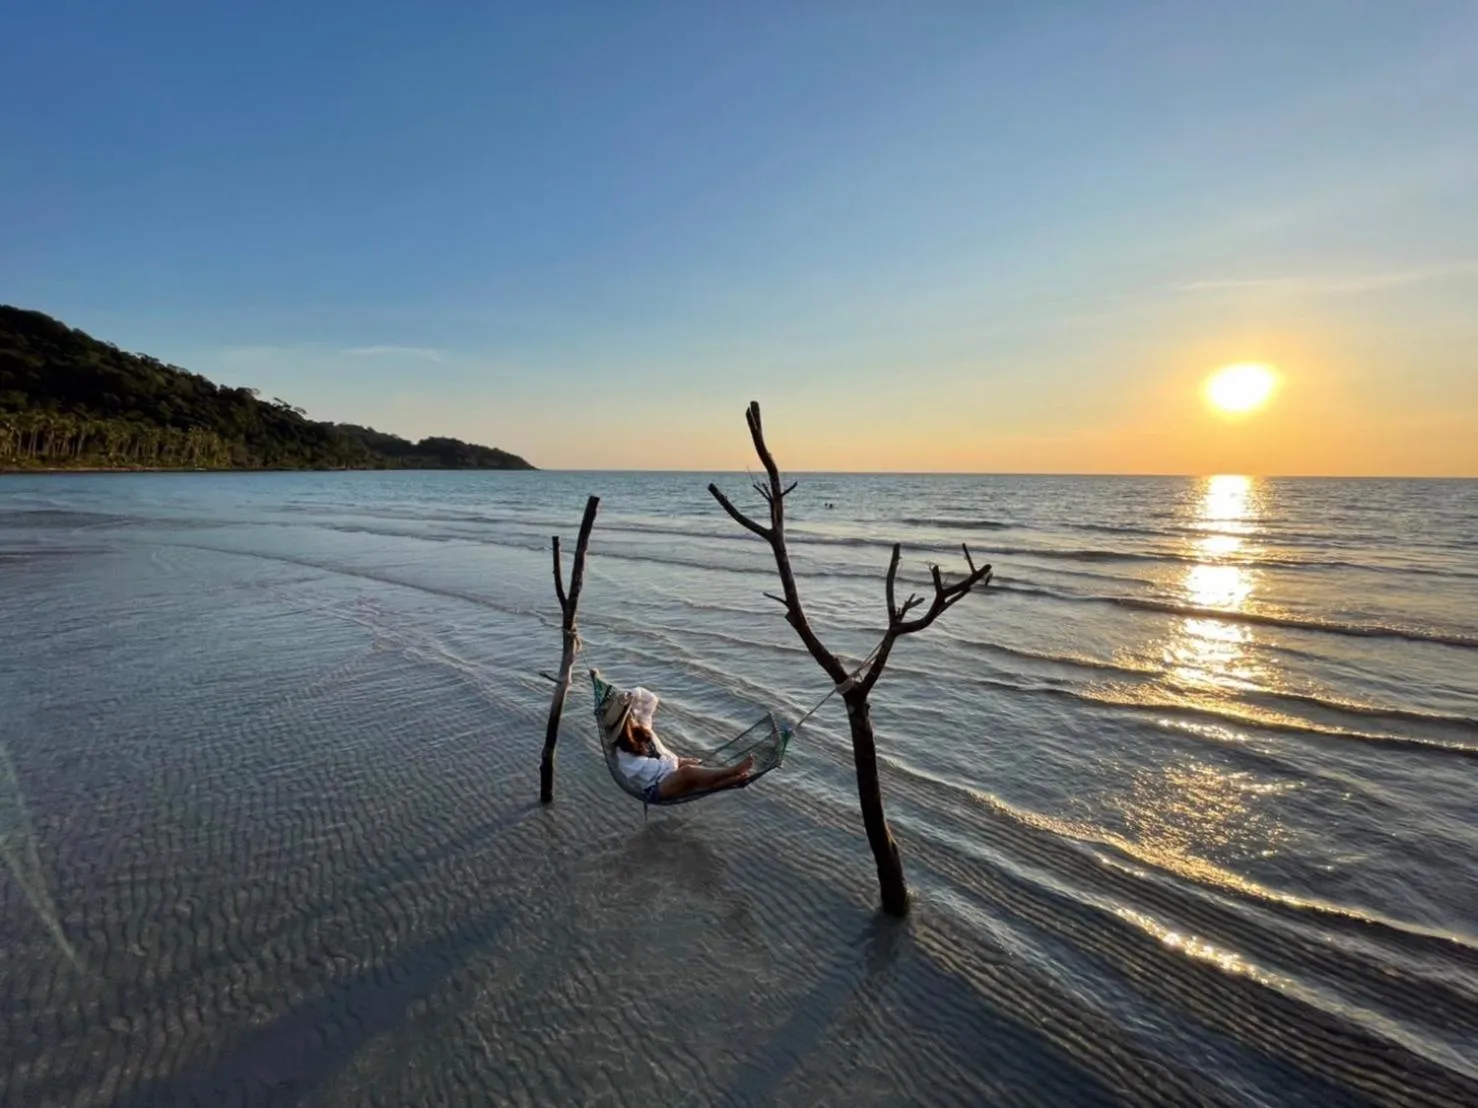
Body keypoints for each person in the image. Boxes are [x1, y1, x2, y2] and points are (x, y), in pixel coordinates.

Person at [613, 715, 753, 801]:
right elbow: (656, 770)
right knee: (688, 772)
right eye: (630, 719)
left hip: (667, 775)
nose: (634, 718)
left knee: (697, 775)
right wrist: (679, 762)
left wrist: (631, 697)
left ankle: (731, 781)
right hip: (655, 788)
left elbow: (649, 700)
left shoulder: (642, 733)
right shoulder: (624, 755)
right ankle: (732, 771)